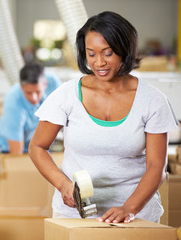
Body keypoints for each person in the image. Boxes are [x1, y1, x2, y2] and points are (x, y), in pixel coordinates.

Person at [28, 11, 178, 223]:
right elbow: (37, 147)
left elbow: (156, 168)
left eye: (108, 53)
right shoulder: (67, 94)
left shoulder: (152, 100)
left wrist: (129, 208)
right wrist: (62, 184)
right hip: (76, 215)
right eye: (91, 54)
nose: (99, 63)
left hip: (136, 216)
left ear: (124, 50)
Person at [0, 61, 61, 154]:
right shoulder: (13, 101)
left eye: (38, 92)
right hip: (12, 146)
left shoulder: (53, 84)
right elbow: (16, 153)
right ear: (22, 87)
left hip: (39, 143)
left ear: (45, 84)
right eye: (29, 93)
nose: (34, 98)